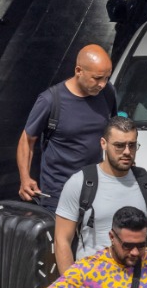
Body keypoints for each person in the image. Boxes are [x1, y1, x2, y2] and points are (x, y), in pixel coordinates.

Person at [54, 116, 147, 272]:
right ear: (103, 144)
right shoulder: (80, 183)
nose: (127, 152)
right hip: (92, 283)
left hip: (137, 285)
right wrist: (70, 287)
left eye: (132, 145)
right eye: (119, 146)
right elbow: (62, 240)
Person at [16, 44, 117, 210]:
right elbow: (27, 140)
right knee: (62, 237)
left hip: (96, 189)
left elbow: (112, 131)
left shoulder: (107, 93)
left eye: (107, 78)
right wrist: (25, 178)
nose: (102, 84)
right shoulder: (50, 101)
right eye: (97, 78)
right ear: (78, 71)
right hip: (59, 193)